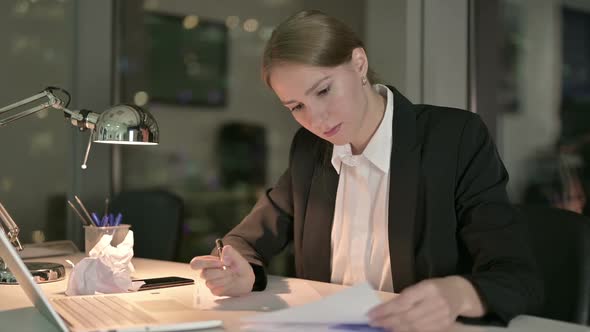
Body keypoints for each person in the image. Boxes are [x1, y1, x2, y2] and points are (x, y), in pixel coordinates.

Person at [190, 10, 542, 332]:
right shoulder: (310, 149)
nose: (316, 119)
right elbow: (248, 239)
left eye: (324, 90)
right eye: (296, 106)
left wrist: (460, 293)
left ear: (359, 63)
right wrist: (242, 269)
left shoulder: (454, 138)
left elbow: (516, 275)